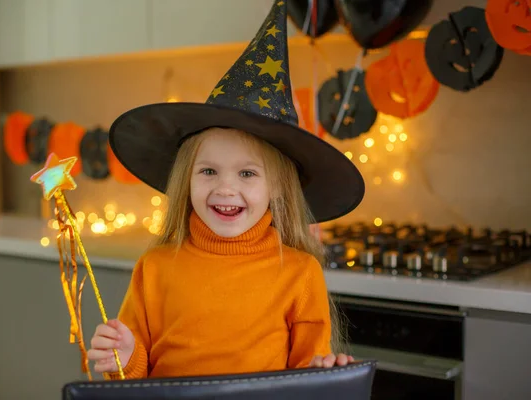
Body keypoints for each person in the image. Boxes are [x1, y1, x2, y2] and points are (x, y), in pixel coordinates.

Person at [87, 0, 364, 380]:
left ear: (279, 188)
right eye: (209, 171)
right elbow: (131, 378)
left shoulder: (299, 274)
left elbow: (306, 380)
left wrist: (323, 372)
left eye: (248, 174)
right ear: (186, 180)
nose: (225, 188)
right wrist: (124, 353)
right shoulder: (154, 269)